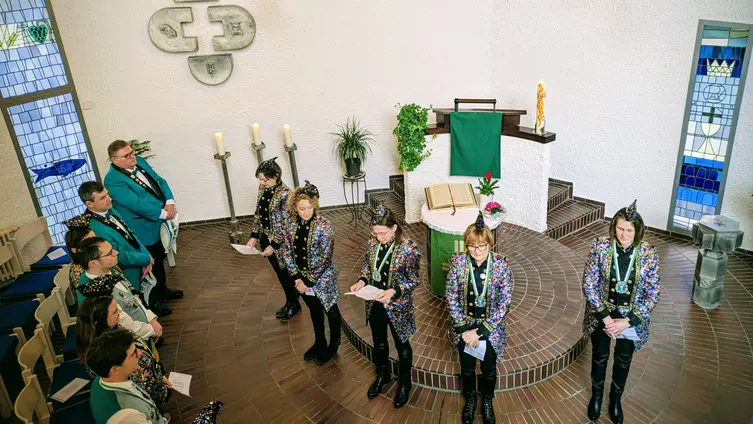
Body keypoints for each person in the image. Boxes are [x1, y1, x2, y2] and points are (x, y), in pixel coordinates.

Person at [582, 200, 661, 424]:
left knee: (623, 360)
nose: (624, 234)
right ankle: (597, 396)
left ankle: (615, 400)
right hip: (602, 314)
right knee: (599, 357)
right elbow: (589, 283)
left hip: (630, 319)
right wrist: (606, 318)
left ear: (638, 232)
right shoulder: (600, 246)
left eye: (629, 230)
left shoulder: (648, 253)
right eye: (620, 228)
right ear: (613, 227)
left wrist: (628, 321)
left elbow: (653, 292)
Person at [349, 202, 420, 409]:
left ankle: (405, 383)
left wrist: (394, 291)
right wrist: (362, 280)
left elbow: (414, 279)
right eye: (376, 233)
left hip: (397, 305)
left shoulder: (408, 248)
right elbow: (367, 266)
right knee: (379, 341)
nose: (379, 237)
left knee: (402, 345)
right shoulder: (372, 242)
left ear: (394, 228)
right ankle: (383, 375)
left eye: (383, 233)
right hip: (375, 302)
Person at [445, 212, 512, 424]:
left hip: (490, 329)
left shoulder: (501, 265)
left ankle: (487, 400)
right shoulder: (458, 263)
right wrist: (465, 329)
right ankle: (471, 398)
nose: (477, 251)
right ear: (466, 245)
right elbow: (451, 297)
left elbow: (505, 302)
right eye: (472, 246)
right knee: (466, 368)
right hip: (464, 328)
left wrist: (481, 331)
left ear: (490, 244)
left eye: (482, 246)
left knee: (489, 370)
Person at [104, 140, 183, 313]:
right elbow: (136, 204)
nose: (132, 157)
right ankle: (153, 302)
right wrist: (164, 213)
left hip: (159, 220)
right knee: (149, 264)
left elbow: (160, 181)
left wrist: (169, 202)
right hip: (141, 226)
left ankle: (162, 290)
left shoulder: (139, 161)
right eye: (126, 156)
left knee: (160, 257)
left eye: (131, 152)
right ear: (115, 160)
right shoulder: (112, 180)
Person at [77, 181, 171, 316]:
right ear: (89, 204)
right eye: (103, 198)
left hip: (138, 257)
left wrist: (146, 253)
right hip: (128, 270)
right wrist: (144, 258)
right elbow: (118, 256)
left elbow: (130, 233)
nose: (109, 199)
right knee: (137, 305)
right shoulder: (95, 227)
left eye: (107, 194)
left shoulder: (110, 209)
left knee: (150, 290)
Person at [281, 181, 341, 365]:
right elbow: (286, 251)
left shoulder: (324, 226)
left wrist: (308, 280)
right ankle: (319, 343)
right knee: (314, 310)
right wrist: (297, 277)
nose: (306, 212)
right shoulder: (290, 224)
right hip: (301, 280)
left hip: (322, 279)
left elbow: (325, 257)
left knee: (331, 311)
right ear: (294, 207)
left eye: (309, 207)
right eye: (302, 208)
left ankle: (333, 345)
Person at [76, 296, 170, 412]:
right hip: (143, 395)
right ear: (100, 320)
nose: (119, 313)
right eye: (114, 312)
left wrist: (159, 374)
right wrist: (160, 388)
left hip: (152, 381)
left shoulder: (115, 329)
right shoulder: (105, 352)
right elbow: (138, 382)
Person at [73, 237, 162, 341]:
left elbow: (132, 298)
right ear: (93, 263)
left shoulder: (111, 271)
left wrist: (150, 318)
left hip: (143, 327)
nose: (116, 253)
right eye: (109, 253)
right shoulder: (93, 293)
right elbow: (124, 324)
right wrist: (151, 330)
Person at [246, 157, 300, 321]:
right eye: (260, 179)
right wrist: (254, 235)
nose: (262, 183)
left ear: (276, 176)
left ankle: (294, 303)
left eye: (265, 179)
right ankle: (290, 301)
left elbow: (287, 225)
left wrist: (274, 245)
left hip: (281, 243)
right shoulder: (263, 188)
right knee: (279, 273)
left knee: (287, 273)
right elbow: (258, 212)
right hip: (266, 237)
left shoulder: (286, 195)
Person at [64, 214, 95, 295]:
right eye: (88, 242)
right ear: (74, 250)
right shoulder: (82, 274)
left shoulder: (94, 258)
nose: (95, 244)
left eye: (95, 239)